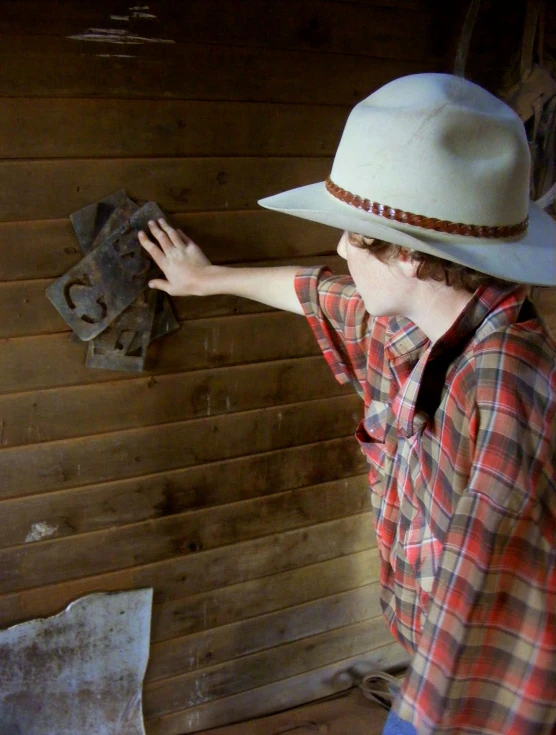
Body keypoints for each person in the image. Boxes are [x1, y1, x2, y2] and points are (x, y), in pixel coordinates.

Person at [139, 73, 556, 734]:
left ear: (414, 258)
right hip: (433, 662)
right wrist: (205, 278)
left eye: (357, 237)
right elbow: (322, 293)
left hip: (479, 694)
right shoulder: (418, 324)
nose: (339, 248)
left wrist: (417, 721)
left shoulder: (507, 383)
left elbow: (482, 600)